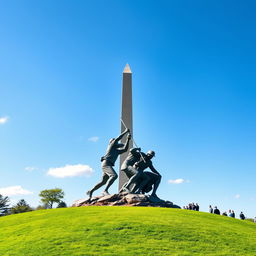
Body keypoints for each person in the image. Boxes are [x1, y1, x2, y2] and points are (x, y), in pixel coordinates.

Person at [86, 128, 131, 199]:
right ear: (111, 142)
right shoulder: (111, 145)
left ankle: (91, 191)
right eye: (114, 140)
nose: (115, 141)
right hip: (106, 164)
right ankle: (105, 190)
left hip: (108, 164)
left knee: (103, 182)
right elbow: (118, 138)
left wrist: (128, 139)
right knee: (114, 176)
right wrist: (125, 132)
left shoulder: (117, 151)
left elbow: (125, 149)